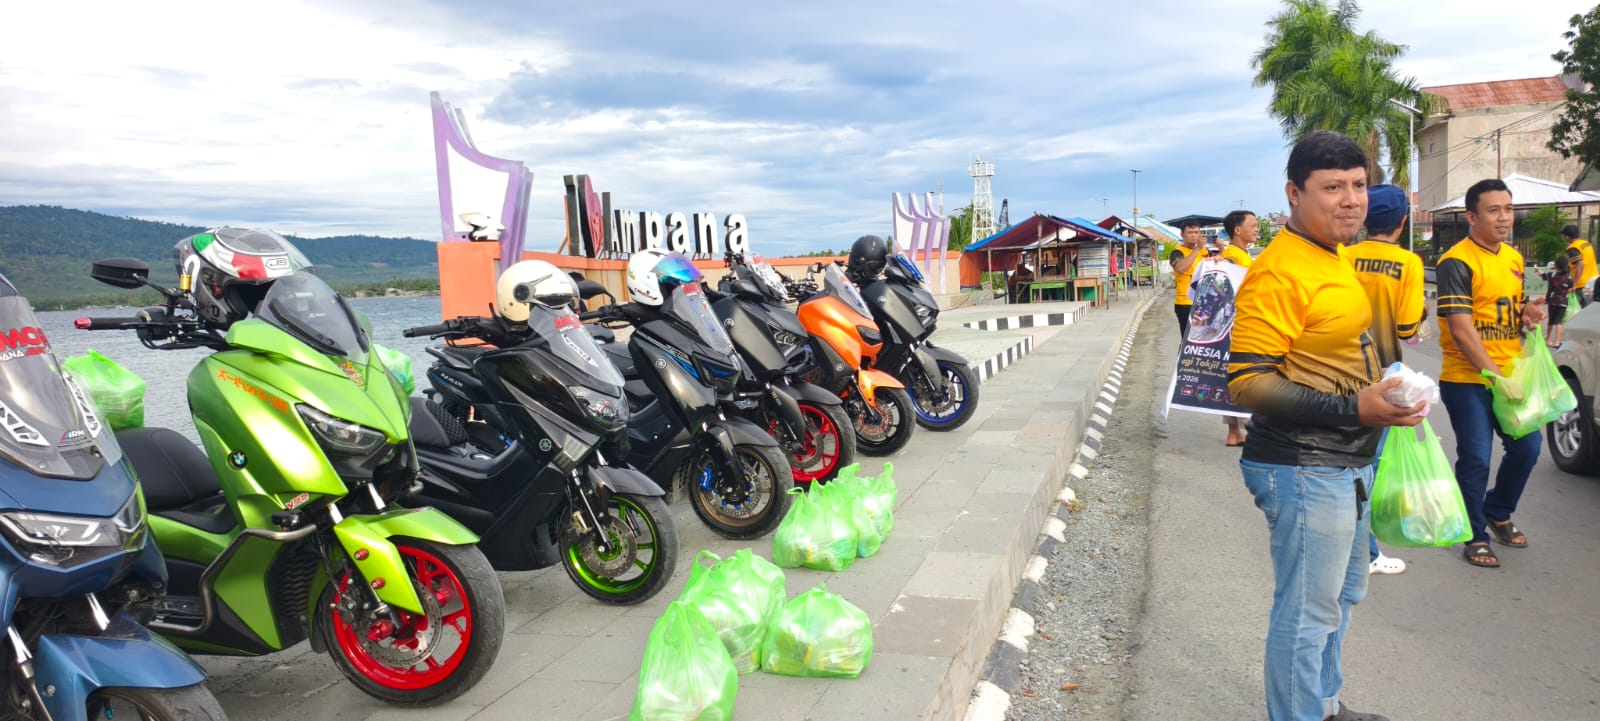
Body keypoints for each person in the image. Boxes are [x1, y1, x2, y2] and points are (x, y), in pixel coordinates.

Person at [1228, 131, 1423, 721]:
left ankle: (1325, 707)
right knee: (1307, 614)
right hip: (1303, 464)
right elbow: (1247, 382)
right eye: (1333, 187)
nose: (1351, 200)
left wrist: (1387, 391)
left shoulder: (1332, 254)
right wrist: (1353, 409)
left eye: (1359, 185)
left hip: (1346, 460)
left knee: (1341, 596)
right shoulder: (1280, 271)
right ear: (1294, 193)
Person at [1436, 178, 1547, 569]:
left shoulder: (1513, 258)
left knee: (1528, 448)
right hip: (1467, 380)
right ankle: (1475, 534)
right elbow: (1461, 327)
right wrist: (1494, 376)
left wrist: (1527, 313)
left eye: (1508, 209)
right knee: (1476, 458)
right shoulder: (1456, 262)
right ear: (1472, 216)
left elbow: (1510, 308)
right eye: (1494, 210)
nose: (1504, 218)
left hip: (1509, 375)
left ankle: (1498, 510)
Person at [1344, 183, 1427, 576]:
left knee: (1342, 461)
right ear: (1402, 222)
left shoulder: (1343, 256)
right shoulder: (1408, 263)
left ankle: (1352, 546)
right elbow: (1408, 328)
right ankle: (1367, 554)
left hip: (1338, 370)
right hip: (1382, 376)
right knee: (1369, 465)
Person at [1219, 209, 1257, 447]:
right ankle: (1249, 428)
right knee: (1244, 375)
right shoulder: (1232, 256)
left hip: (1238, 321)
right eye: (1253, 225)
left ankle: (1234, 432)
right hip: (1240, 323)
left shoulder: (1241, 253)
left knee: (1233, 375)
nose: (1257, 229)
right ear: (1238, 230)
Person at [1171, 221, 1205, 341]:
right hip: (1186, 303)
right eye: (1190, 232)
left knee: (1202, 340)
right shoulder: (1177, 252)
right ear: (1182, 235)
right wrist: (1197, 249)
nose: (1193, 235)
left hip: (1203, 303)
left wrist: (1221, 248)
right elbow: (1180, 268)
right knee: (1188, 341)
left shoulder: (1204, 252)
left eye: (1196, 232)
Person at [1541, 256, 1573, 347]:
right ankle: (1557, 341)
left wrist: (1538, 271)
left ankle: (1548, 339)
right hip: (1563, 302)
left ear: (1556, 265)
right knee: (1559, 321)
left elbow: (1543, 275)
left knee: (1551, 320)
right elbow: (1571, 287)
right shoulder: (1568, 277)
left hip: (1552, 301)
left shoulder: (1552, 275)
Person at [1563, 224, 1596, 307]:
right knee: (1590, 311)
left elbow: (1580, 264)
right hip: (1594, 282)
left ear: (1567, 237)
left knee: (1575, 311)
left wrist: (1574, 284)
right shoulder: (1587, 244)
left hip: (1580, 285)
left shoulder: (1573, 248)